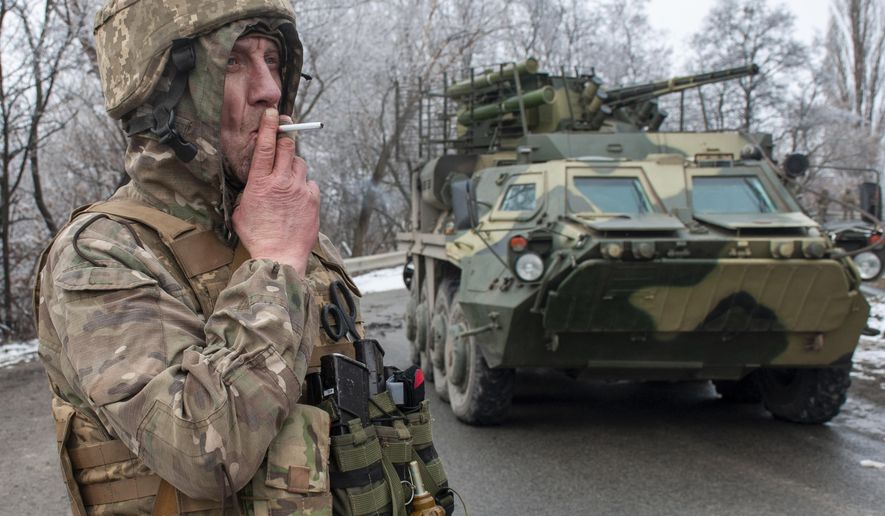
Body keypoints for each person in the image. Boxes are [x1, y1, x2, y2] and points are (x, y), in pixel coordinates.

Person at [35, 1, 359, 513]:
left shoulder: (292, 228)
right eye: (233, 61)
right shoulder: (101, 254)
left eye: (273, 60)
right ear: (167, 91)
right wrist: (275, 264)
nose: (270, 90)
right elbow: (205, 453)